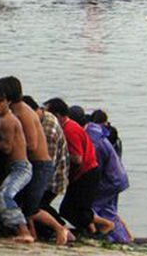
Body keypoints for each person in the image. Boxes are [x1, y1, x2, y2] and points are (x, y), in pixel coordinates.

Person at [0, 77, 69, 245]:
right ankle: (30, 234)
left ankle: (59, 228)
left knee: (31, 207)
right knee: (24, 202)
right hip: (35, 165)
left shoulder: (23, 112)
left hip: (40, 165)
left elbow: (32, 144)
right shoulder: (16, 111)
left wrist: (13, 143)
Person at [44, 98, 115, 236]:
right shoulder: (68, 127)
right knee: (74, 209)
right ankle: (91, 231)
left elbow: (77, 158)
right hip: (87, 172)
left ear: (57, 115)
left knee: (70, 210)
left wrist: (66, 173)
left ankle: (106, 224)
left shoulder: (70, 129)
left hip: (86, 173)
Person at [0, 80, 33, 244]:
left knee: (5, 195)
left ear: (8, 102)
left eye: (0, 101)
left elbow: (6, 148)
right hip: (14, 168)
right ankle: (14, 228)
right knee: (0, 194)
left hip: (21, 168)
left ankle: (23, 231)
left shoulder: (7, 120)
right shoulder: (2, 119)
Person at [23, 95, 70, 238]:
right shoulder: (44, 116)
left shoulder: (47, 130)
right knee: (34, 204)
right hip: (49, 171)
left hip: (53, 178)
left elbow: (45, 165)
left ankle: (61, 229)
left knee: (32, 205)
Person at [86, 111, 132, 243]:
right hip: (117, 178)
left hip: (111, 180)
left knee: (95, 205)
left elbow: (98, 166)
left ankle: (119, 237)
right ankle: (123, 237)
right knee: (108, 208)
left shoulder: (100, 139)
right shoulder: (109, 135)